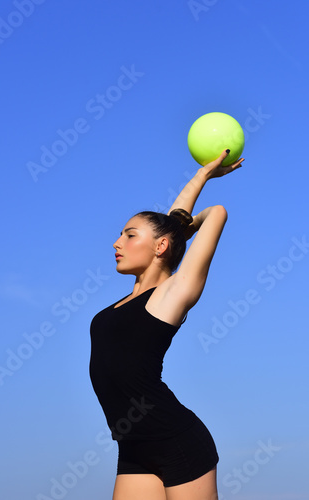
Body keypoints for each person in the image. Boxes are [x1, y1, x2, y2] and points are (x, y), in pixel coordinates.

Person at [89, 148, 244, 500]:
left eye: (130, 235)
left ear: (160, 246)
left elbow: (216, 212)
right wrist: (202, 175)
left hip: (176, 443)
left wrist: (180, 231)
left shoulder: (172, 293)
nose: (117, 243)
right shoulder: (125, 301)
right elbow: (171, 227)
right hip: (133, 447)